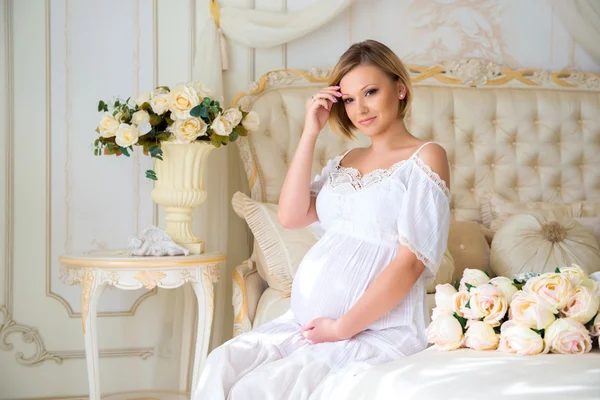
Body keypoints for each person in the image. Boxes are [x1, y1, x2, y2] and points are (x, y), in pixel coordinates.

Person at [193, 39, 451, 400]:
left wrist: (342, 327)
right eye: (347, 99)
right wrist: (310, 132)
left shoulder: (425, 157)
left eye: (371, 92)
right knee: (221, 364)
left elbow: (409, 264)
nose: (359, 108)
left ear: (401, 89)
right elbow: (291, 215)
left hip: (376, 330)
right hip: (307, 325)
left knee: (258, 389)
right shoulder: (346, 159)